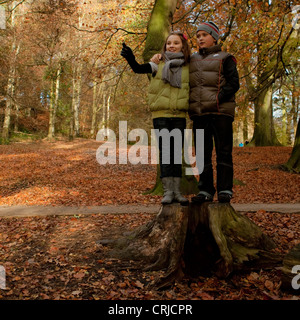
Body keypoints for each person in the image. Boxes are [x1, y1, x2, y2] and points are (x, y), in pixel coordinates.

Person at [120, 32, 191, 205]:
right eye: (169, 43)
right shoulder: (157, 64)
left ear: (183, 46)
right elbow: (138, 68)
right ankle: (168, 192)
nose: (172, 46)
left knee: (177, 155)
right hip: (161, 116)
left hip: (179, 115)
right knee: (166, 153)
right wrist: (130, 57)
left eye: (176, 43)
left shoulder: (189, 66)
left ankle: (178, 192)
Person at [189, 21, 240, 203]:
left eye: (204, 35)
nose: (200, 38)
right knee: (202, 154)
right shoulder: (192, 59)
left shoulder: (226, 58)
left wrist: (217, 98)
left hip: (221, 113)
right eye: (198, 36)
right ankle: (205, 191)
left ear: (214, 37)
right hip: (200, 113)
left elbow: (234, 84)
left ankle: (225, 189)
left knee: (223, 152)